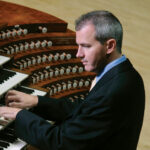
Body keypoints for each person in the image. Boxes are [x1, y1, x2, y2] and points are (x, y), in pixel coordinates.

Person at [0, 10, 145, 150]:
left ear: (110, 46)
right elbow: (86, 109)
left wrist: (19, 115)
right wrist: (37, 101)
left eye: (86, 46)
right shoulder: (125, 74)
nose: (78, 54)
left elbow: (61, 142)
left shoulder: (115, 90)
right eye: (78, 45)